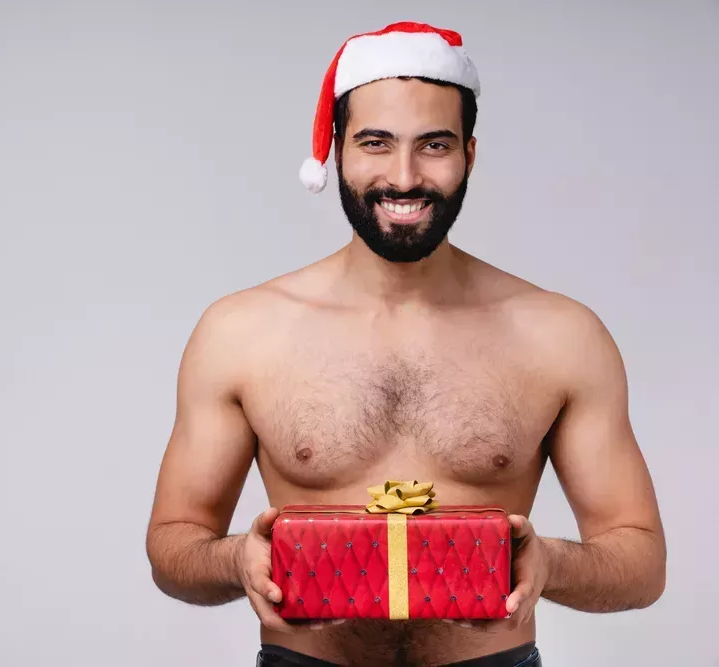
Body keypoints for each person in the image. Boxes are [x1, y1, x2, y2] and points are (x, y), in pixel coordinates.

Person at [144, 21, 666, 667]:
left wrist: (550, 563)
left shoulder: (560, 336)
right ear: (337, 151)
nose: (404, 176)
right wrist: (235, 559)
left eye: (434, 145)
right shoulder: (242, 332)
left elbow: (641, 561)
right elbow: (173, 544)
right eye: (375, 142)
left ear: (470, 155)